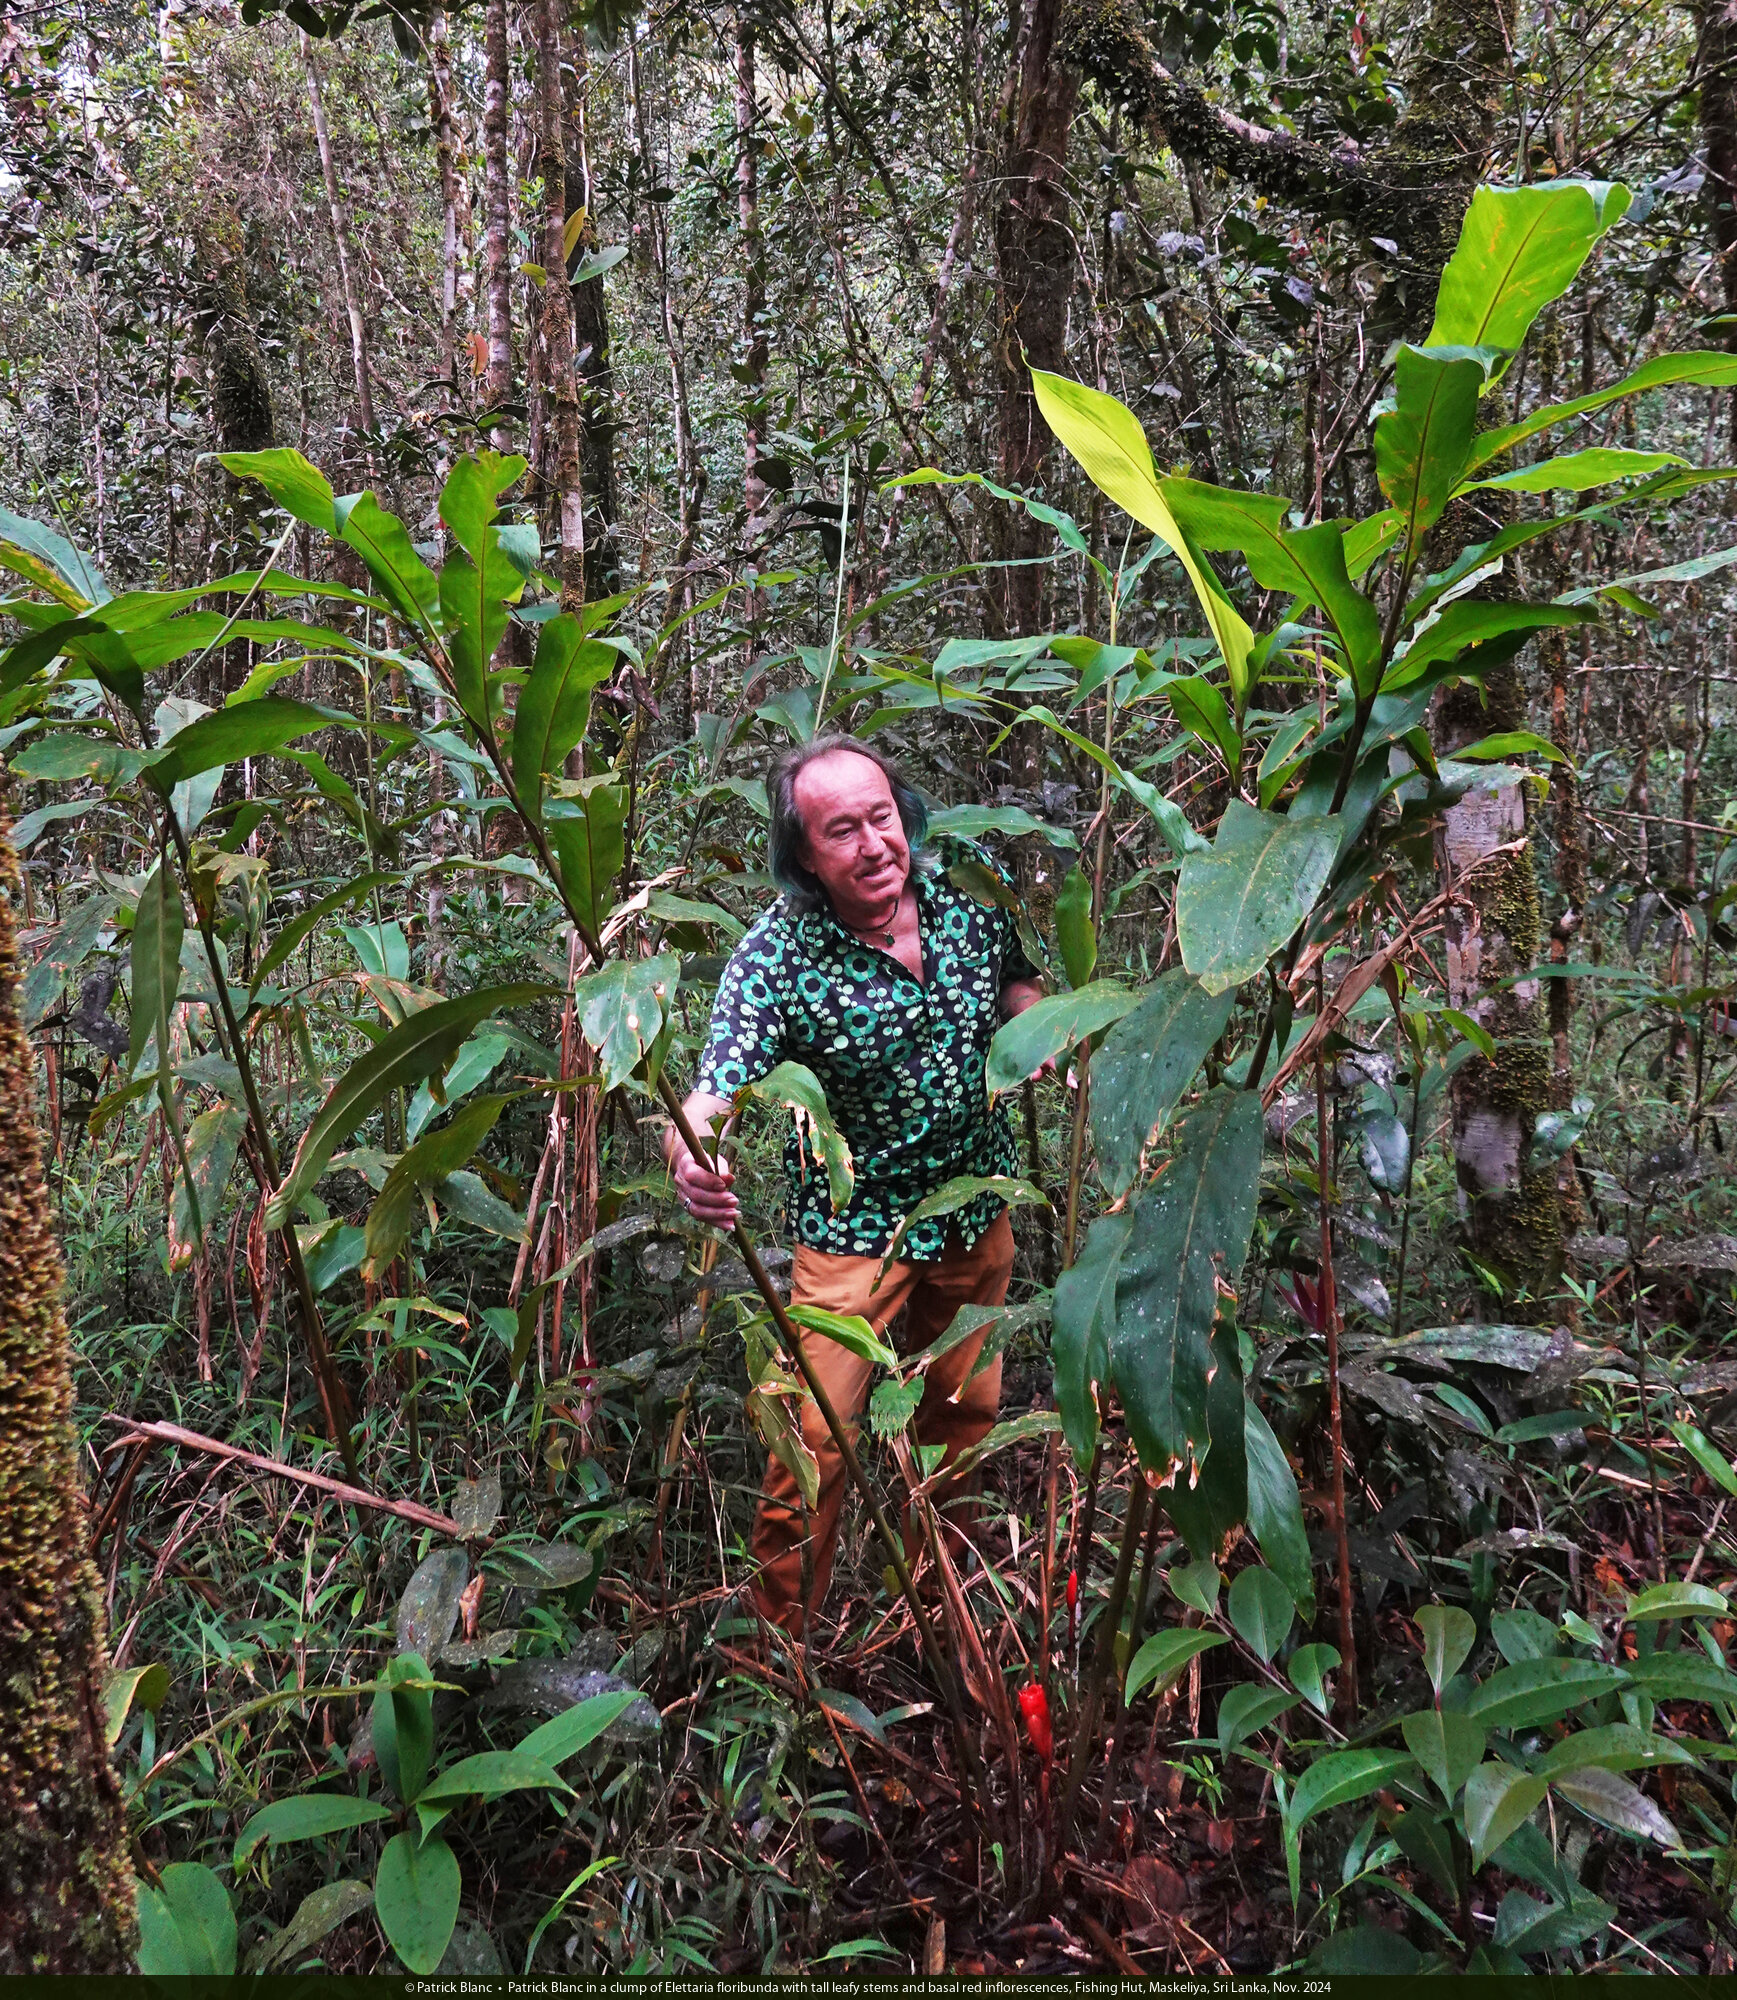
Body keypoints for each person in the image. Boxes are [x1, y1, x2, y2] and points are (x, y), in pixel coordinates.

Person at [663, 736, 1047, 1636]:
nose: (874, 845)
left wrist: (1039, 1034)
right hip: (854, 1234)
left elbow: (1018, 982)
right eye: (843, 831)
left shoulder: (971, 895)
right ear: (803, 856)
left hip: (974, 1205)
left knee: (963, 1417)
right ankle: (779, 1646)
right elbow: (714, 1088)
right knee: (813, 1439)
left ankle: (939, 1613)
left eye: (882, 819)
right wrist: (693, 1154)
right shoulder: (778, 956)